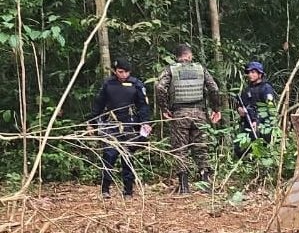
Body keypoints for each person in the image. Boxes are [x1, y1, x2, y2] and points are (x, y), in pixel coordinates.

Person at [155, 44, 221, 194]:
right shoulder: (201, 69)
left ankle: (184, 187)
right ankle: (205, 184)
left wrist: (164, 109)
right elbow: (214, 89)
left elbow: (159, 88)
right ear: (190, 56)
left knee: (180, 149)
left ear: (177, 57)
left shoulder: (170, 70)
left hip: (179, 113)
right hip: (199, 113)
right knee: (201, 147)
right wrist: (216, 109)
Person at [89, 58, 152, 198]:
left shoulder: (136, 84)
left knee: (127, 157)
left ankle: (128, 191)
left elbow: (143, 105)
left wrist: (145, 122)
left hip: (130, 124)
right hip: (111, 124)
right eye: (120, 72)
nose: (123, 75)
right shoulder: (108, 84)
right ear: (115, 71)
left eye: (126, 72)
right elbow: (99, 103)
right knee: (109, 155)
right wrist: (92, 122)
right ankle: (105, 189)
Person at [234, 61, 275, 158]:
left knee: (261, 149)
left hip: (262, 125)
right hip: (248, 123)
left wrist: (258, 121)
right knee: (239, 149)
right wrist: (239, 109)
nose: (250, 75)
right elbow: (239, 104)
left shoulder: (266, 88)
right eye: (249, 72)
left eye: (253, 72)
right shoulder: (248, 89)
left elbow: (270, 107)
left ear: (260, 74)